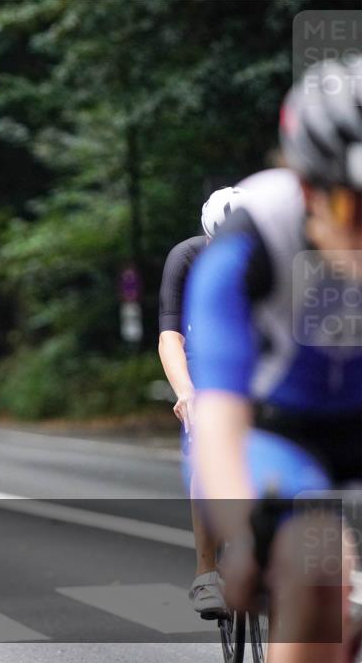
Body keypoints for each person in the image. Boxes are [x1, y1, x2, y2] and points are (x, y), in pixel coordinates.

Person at [187, 57, 362, 663]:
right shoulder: (254, 239)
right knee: (315, 560)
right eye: (349, 210)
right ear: (308, 189)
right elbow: (218, 417)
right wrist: (247, 536)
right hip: (280, 430)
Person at [158, 185, 243, 617]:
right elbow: (171, 337)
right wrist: (186, 393)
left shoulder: (280, 258)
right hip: (204, 358)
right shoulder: (187, 258)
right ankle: (206, 571)